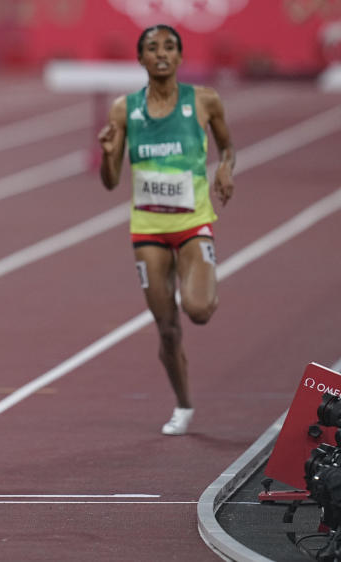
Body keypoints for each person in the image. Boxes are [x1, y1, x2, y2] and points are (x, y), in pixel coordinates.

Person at [97, 24, 235, 436]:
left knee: (199, 311)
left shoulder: (205, 101)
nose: (161, 53)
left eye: (169, 47)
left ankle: (200, 274)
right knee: (168, 328)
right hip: (148, 230)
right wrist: (107, 155)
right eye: (152, 48)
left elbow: (227, 146)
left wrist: (225, 167)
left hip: (193, 223)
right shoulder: (124, 109)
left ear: (179, 57)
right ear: (140, 59)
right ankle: (184, 404)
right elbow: (109, 180)